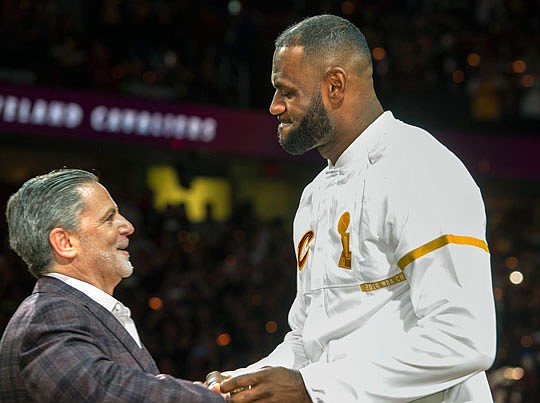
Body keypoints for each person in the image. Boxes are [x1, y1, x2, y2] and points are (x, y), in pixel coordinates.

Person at [205, 14, 497, 402]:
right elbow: (311, 341)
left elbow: (463, 337)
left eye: (286, 91)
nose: (275, 106)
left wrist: (313, 388)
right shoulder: (314, 195)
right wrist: (241, 382)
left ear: (336, 86)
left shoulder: (420, 167)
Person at [0, 168, 224, 403]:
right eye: (109, 218)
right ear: (65, 242)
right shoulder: (49, 314)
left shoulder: (72, 312)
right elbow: (101, 391)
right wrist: (212, 399)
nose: (128, 226)